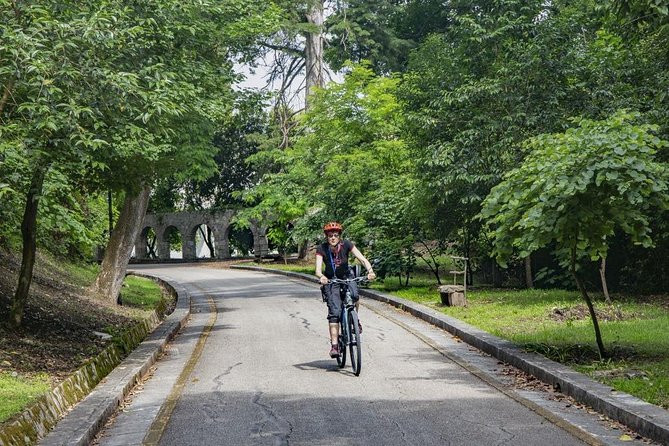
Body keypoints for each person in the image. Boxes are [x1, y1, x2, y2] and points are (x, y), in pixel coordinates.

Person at [315, 221, 376, 358]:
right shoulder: (322, 248)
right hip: (331, 280)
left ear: (339, 236)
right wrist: (322, 276)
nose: (333, 238)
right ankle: (335, 345)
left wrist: (370, 271)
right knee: (334, 313)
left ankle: (355, 319)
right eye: (330, 235)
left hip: (347, 276)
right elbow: (318, 269)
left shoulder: (347, 244)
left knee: (354, 296)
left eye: (335, 235)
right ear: (327, 237)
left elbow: (362, 259)